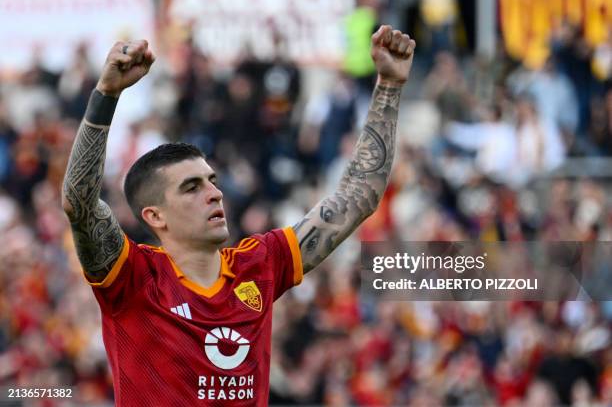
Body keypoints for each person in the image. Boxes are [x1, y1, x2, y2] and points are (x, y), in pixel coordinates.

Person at [61, 26, 415, 406]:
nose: (215, 193)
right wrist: (107, 95)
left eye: (212, 181)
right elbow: (79, 202)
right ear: (155, 216)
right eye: (192, 187)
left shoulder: (258, 265)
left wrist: (390, 85)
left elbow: (358, 197)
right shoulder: (133, 278)